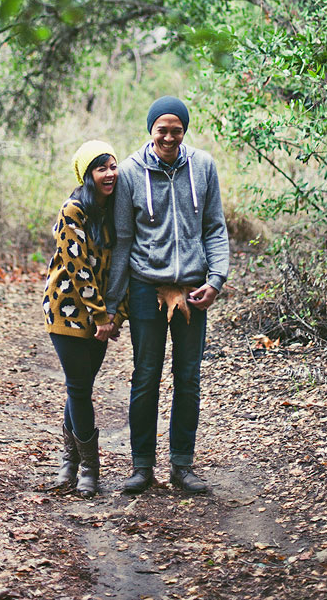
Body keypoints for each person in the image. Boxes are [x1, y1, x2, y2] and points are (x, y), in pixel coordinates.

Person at [104, 96, 229, 495]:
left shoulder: (204, 166)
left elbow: (215, 228)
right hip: (145, 286)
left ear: (184, 130)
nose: (170, 137)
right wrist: (112, 302)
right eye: (163, 129)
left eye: (177, 130)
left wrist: (216, 279)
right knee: (145, 376)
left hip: (193, 288)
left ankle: (182, 465)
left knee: (188, 377)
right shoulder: (128, 172)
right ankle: (142, 466)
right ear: (151, 130)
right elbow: (124, 238)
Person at [43, 139, 126, 498]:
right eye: (100, 168)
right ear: (87, 174)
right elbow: (78, 271)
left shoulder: (116, 209)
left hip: (100, 315)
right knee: (79, 387)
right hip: (67, 310)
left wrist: (115, 314)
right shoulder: (73, 210)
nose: (109, 174)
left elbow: (120, 265)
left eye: (112, 166)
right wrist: (101, 316)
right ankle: (89, 469)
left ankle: (69, 463)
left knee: (80, 387)